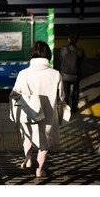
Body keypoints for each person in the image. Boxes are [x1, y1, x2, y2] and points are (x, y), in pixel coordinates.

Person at [10, 41, 65, 177]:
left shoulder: (24, 73)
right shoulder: (56, 74)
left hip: (29, 112)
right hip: (48, 114)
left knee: (28, 135)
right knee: (44, 144)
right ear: (48, 56)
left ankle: (28, 158)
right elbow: (61, 97)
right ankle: (40, 171)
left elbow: (14, 94)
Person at [60, 34, 85, 113]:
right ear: (77, 41)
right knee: (76, 90)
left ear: (68, 40)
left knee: (66, 92)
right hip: (76, 76)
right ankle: (74, 108)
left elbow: (61, 59)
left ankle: (66, 108)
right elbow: (81, 61)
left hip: (65, 75)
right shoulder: (80, 51)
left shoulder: (64, 49)